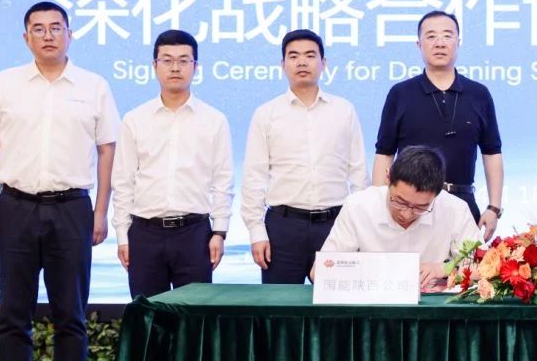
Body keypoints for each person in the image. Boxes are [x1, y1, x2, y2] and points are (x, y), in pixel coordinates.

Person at [0, 1, 120, 361]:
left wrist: (101, 211)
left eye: (56, 27)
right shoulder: (5, 83)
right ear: (26, 38)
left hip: (72, 209)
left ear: (70, 34)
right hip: (14, 207)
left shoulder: (93, 86)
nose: (48, 35)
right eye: (38, 29)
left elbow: (107, 151)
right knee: (13, 313)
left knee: (70, 314)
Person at [112, 30, 233, 298]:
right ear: (154, 65)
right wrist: (122, 235)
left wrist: (220, 232)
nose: (175, 67)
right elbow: (123, 182)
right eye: (167, 60)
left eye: (183, 60)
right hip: (144, 233)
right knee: (148, 314)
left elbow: (223, 181)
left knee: (194, 315)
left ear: (195, 66)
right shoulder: (135, 119)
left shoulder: (214, 120)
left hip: (194, 233)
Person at [241, 29, 368, 283]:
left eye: (310, 56)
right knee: (280, 304)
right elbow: (254, 177)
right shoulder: (266, 113)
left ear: (323, 63)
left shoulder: (344, 110)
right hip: (283, 226)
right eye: (293, 56)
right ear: (283, 64)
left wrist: (359, 227)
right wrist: (256, 232)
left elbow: (358, 173)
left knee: (336, 303)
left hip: (335, 226)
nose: (302, 62)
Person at [373, 11, 503, 239]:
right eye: (431, 36)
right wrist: (378, 205)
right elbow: (384, 153)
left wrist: (494, 207)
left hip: (462, 203)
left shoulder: (479, 94)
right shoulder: (400, 93)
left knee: (464, 263)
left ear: (458, 42)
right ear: (419, 44)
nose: (440, 43)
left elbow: (492, 153)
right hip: (410, 207)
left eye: (447, 35)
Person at [313, 146, 479, 290]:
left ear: (437, 194)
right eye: (399, 202)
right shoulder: (358, 206)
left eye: (420, 207)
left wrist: (445, 269)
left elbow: (485, 268)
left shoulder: (455, 209)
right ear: (388, 178)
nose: (406, 214)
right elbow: (319, 272)